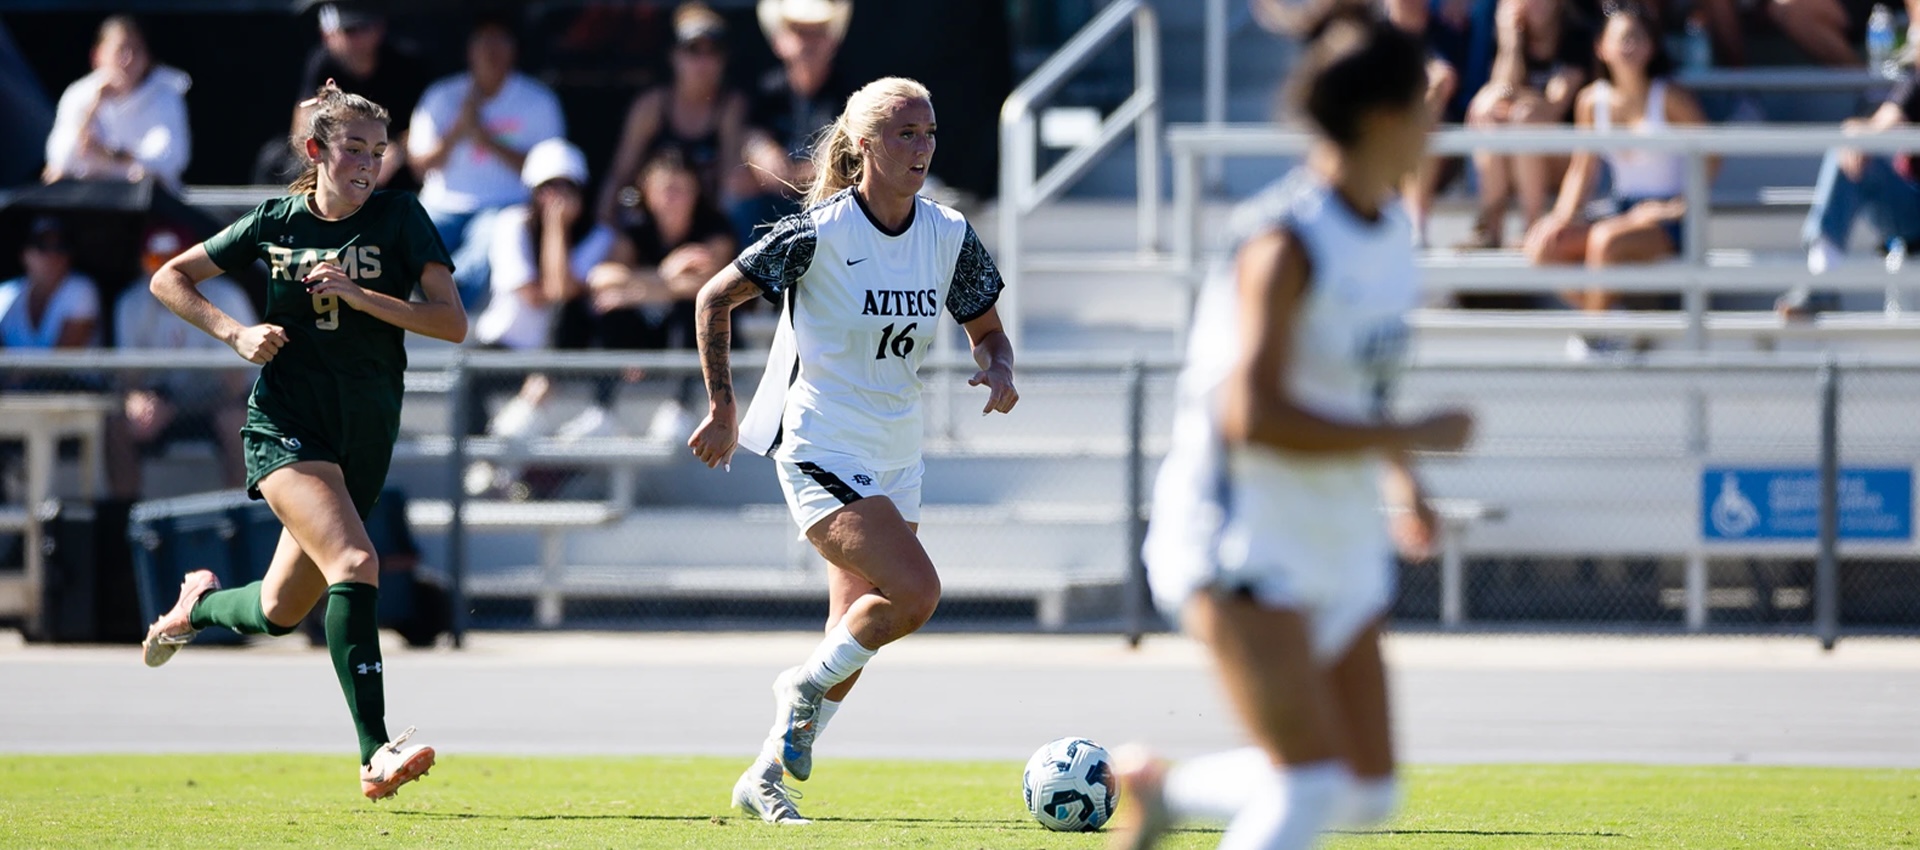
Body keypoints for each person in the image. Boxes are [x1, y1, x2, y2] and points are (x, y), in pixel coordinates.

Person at [1105, 1, 1474, 847]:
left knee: (1367, 790)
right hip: (1241, 536)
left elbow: (1359, 390)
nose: (1435, 119)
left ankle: (1166, 792)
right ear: (1383, 117)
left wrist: (1405, 480)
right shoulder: (1285, 242)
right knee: (1309, 790)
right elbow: (1252, 415)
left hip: (1333, 528)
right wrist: (1408, 436)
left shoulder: (1390, 233)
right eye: (1424, 101)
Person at [688, 77, 1018, 825]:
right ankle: (797, 688)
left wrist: (997, 367)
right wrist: (723, 407)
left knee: (857, 628)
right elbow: (713, 297)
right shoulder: (822, 232)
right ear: (863, 143)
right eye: (905, 133)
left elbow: (988, 329)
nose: (922, 147)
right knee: (915, 594)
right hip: (820, 445)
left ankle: (763, 777)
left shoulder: (949, 231)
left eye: (929, 132)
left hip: (898, 452)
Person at [138, 80, 466, 801]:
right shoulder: (275, 220)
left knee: (281, 611)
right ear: (316, 151)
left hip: (364, 434)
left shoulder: (402, 218)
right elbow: (171, 278)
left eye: (378, 152)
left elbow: (451, 323)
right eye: (353, 149)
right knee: (355, 559)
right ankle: (375, 753)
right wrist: (235, 332)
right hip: (286, 423)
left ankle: (195, 607)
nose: (368, 165)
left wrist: (360, 295)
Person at [1523, 2, 1708, 315]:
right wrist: (1561, 217)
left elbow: (1711, 153)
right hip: (1620, 209)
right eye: (1622, 38)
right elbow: (1583, 166)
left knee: (1605, 240)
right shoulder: (1591, 102)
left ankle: (1598, 333)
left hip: (1666, 219)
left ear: (1652, 47)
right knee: (1542, 245)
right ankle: (1612, 319)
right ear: (1601, 47)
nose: (1630, 46)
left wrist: (1679, 204)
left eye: (1638, 37)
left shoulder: (1670, 98)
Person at [464, 138, 618, 496]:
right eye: (548, 188)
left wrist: (556, 228)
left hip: (560, 357)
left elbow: (562, 291)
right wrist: (554, 227)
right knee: (467, 384)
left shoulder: (600, 236)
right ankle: (485, 465)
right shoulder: (510, 224)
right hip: (502, 348)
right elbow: (533, 295)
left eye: (566, 187)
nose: (557, 197)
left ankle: (534, 480)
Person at [409, 14, 566, 308]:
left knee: (490, 238)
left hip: (503, 204)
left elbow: (550, 173)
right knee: (410, 233)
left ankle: (448, 295)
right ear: (469, 50)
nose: (491, 52)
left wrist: (485, 139)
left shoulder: (538, 100)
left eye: (500, 43)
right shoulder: (441, 95)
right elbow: (419, 167)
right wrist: (457, 131)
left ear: (514, 50)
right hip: (442, 204)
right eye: (483, 43)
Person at [587, 149, 735, 436]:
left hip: (711, 340)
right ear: (648, 192)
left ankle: (679, 406)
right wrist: (665, 274)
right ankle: (601, 409)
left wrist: (637, 290)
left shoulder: (714, 229)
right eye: (666, 189)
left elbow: (709, 286)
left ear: (695, 193)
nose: (672, 199)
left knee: (689, 312)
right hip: (650, 333)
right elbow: (600, 278)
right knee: (612, 313)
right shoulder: (637, 229)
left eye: (681, 190)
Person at [106, 224, 256, 499]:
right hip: (163, 400)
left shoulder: (226, 297)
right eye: (155, 261)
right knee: (118, 425)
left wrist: (177, 407)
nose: (164, 272)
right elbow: (130, 379)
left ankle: (237, 524)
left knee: (238, 423)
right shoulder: (131, 302)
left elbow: (234, 385)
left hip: (219, 402)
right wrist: (136, 401)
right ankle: (124, 525)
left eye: (174, 260)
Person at [594, 2, 749, 225]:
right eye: (693, 50)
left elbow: (729, 184)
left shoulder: (731, 107)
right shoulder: (651, 107)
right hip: (649, 226)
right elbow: (620, 173)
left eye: (713, 51)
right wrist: (605, 226)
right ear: (674, 55)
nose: (703, 62)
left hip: (704, 227)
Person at [1459, 0, 1591, 249]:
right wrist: (1511, 43)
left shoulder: (1576, 34)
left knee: (1524, 121)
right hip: (1515, 158)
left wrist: (1518, 105)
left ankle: (1532, 227)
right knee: (1487, 112)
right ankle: (1491, 229)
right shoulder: (1511, 35)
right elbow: (1502, 90)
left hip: (1566, 159)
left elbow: (1554, 108)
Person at [730, 0, 856, 244]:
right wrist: (759, 150)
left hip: (826, 210)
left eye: (818, 32)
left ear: (832, 40)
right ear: (779, 42)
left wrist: (788, 175)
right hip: (770, 205)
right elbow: (747, 154)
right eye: (798, 31)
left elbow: (837, 173)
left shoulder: (850, 94)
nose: (808, 42)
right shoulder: (764, 90)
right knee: (737, 192)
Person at [42, 15, 191, 188]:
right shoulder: (78, 94)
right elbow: (60, 161)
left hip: (144, 206)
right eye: (120, 50)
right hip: (90, 202)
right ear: (97, 56)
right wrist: (92, 110)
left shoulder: (165, 95)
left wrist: (110, 156)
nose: (128, 60)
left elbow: (169, 161)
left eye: (135, 50)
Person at [298, 1, 432, 190]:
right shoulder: (322, 64)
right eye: (348, 30)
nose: (356, 39)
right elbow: (303, 120)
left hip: (396, 169)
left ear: (379, 29)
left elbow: (428, 124)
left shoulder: (408, 66)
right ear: (329, 35)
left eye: (364, 28)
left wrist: (395, 152)